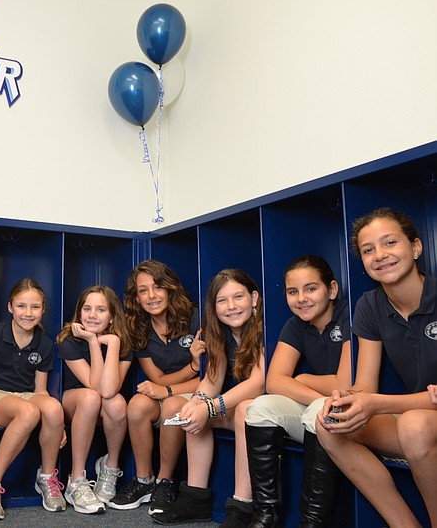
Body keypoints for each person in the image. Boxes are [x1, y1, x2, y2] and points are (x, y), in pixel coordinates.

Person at [316, 207, 437, 528]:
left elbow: (379, 400)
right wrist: (346, 399)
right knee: (330, 424)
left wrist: (379, 403)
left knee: (414, 425)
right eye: (368, 250)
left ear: (415, 247)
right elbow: (365, 386)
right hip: (421, 422)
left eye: (390, 243)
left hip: (421, 424)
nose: (380, 255)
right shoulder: (370, 304)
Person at [241, 255, 350, 528]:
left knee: (320, 410)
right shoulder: (296, 324)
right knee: (260, 407)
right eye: (293, 292)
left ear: (332, 290)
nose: (301, 298)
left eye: (310, 288)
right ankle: (265, 516)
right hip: (322, 410)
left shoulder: (351, 315)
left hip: (352, 414)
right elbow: (275, 381)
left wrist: (302, 378)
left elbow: (346, 385)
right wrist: (319, 392)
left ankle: (312, 524)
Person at [151, 268, 266, 526]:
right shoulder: (219, 331)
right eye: (222, 301)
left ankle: (241, 507)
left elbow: (259, 384)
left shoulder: (265, 327)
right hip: (237, 406)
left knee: (246, 408)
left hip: (264, 410)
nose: (231, 306)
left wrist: (211, 407)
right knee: (195, 411)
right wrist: (197, 401)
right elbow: (213, 380)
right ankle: (195, 499)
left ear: (254, 298)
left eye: (238, 297)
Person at [109, 260, 202, 513]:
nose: (151, 296)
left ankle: (165, 482)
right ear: (136, 297)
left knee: (172, 405)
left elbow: (210, 377)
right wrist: (192, 367)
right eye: (143, 290)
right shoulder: (139, 327)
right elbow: (157, 379)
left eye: (157, 287)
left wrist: (170, 390)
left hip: (197, 394)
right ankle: (144, 480)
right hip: (170, 388)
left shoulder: (195, 318)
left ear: (169, 288)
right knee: (137, 405)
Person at [0, 279, 66, 520]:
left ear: (43, 310)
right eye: (21, 306)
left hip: (26, 395)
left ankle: (47, 478)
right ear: (10, 307)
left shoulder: (45, 343)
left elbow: (40, 390)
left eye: (35, 307)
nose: (28, 313)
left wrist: (56, 423)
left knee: (53, 408)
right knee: (28, 412)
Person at [57, 285, 133, 514]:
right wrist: (92, 341)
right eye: (87, 308)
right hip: (73, 400)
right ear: (79, 312)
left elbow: (109, 391)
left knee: (118, 402)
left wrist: (114, 344)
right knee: (91, 397)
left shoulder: (121, 341)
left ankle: (110, 467)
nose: (92, 315)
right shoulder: (68, 339)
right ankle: (76, 480)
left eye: (100, 310)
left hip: (102, 401)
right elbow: (95, 385)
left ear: (111, 317)